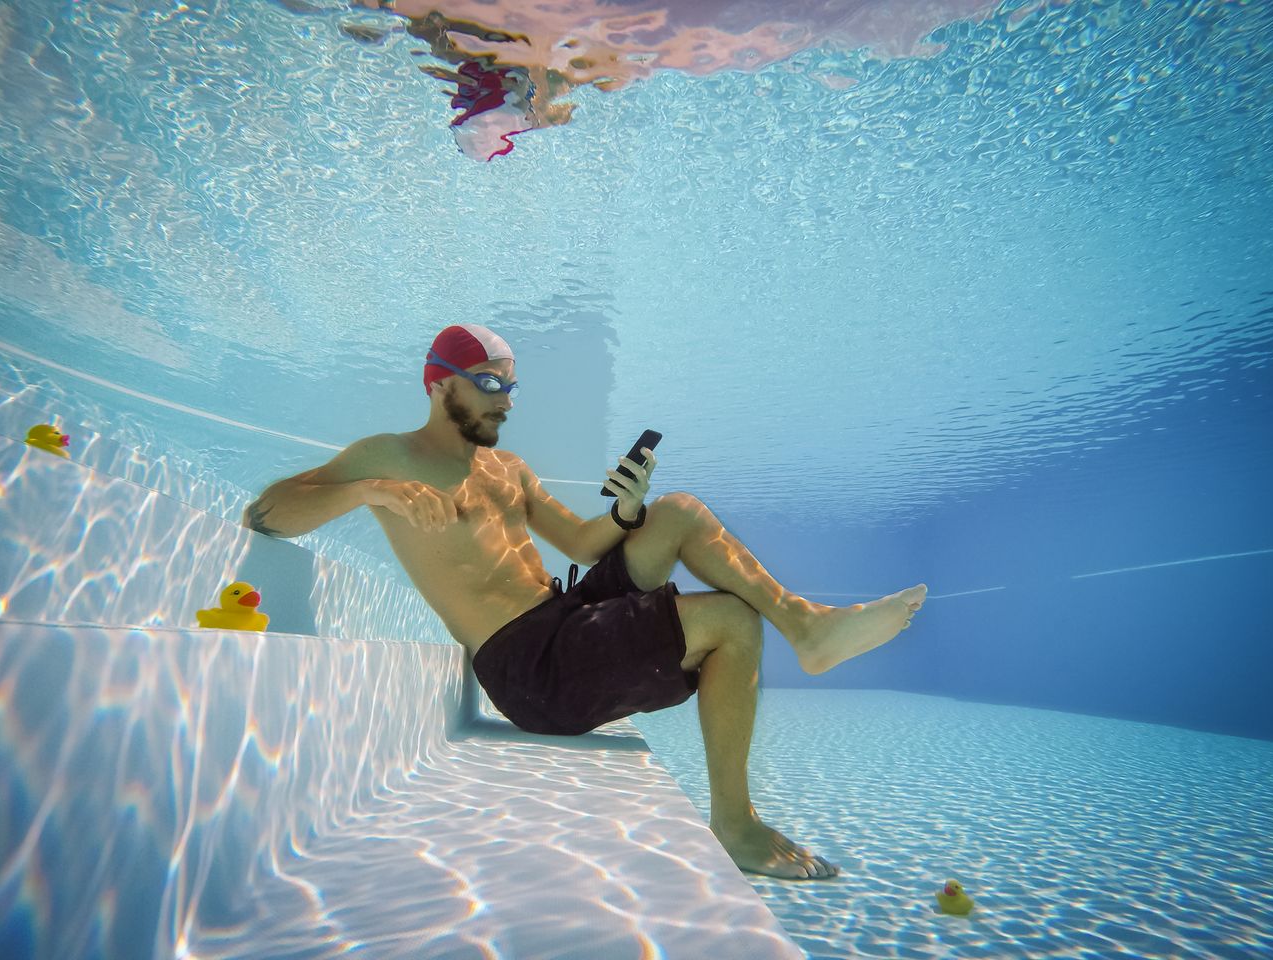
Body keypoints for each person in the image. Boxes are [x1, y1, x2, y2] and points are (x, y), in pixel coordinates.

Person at [244, 323, 927, 881]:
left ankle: (807, 628)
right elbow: (267, 512)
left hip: (564, 618)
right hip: (530, 670)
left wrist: (627, 510)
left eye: (510, 387)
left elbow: (578, 539)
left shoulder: (508, 469)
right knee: (729, 621)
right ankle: (735, 825)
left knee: (677, 510)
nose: (506, 402)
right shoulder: (386, 456)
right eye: (490, 385)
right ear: (439, 381)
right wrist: (367, 492)